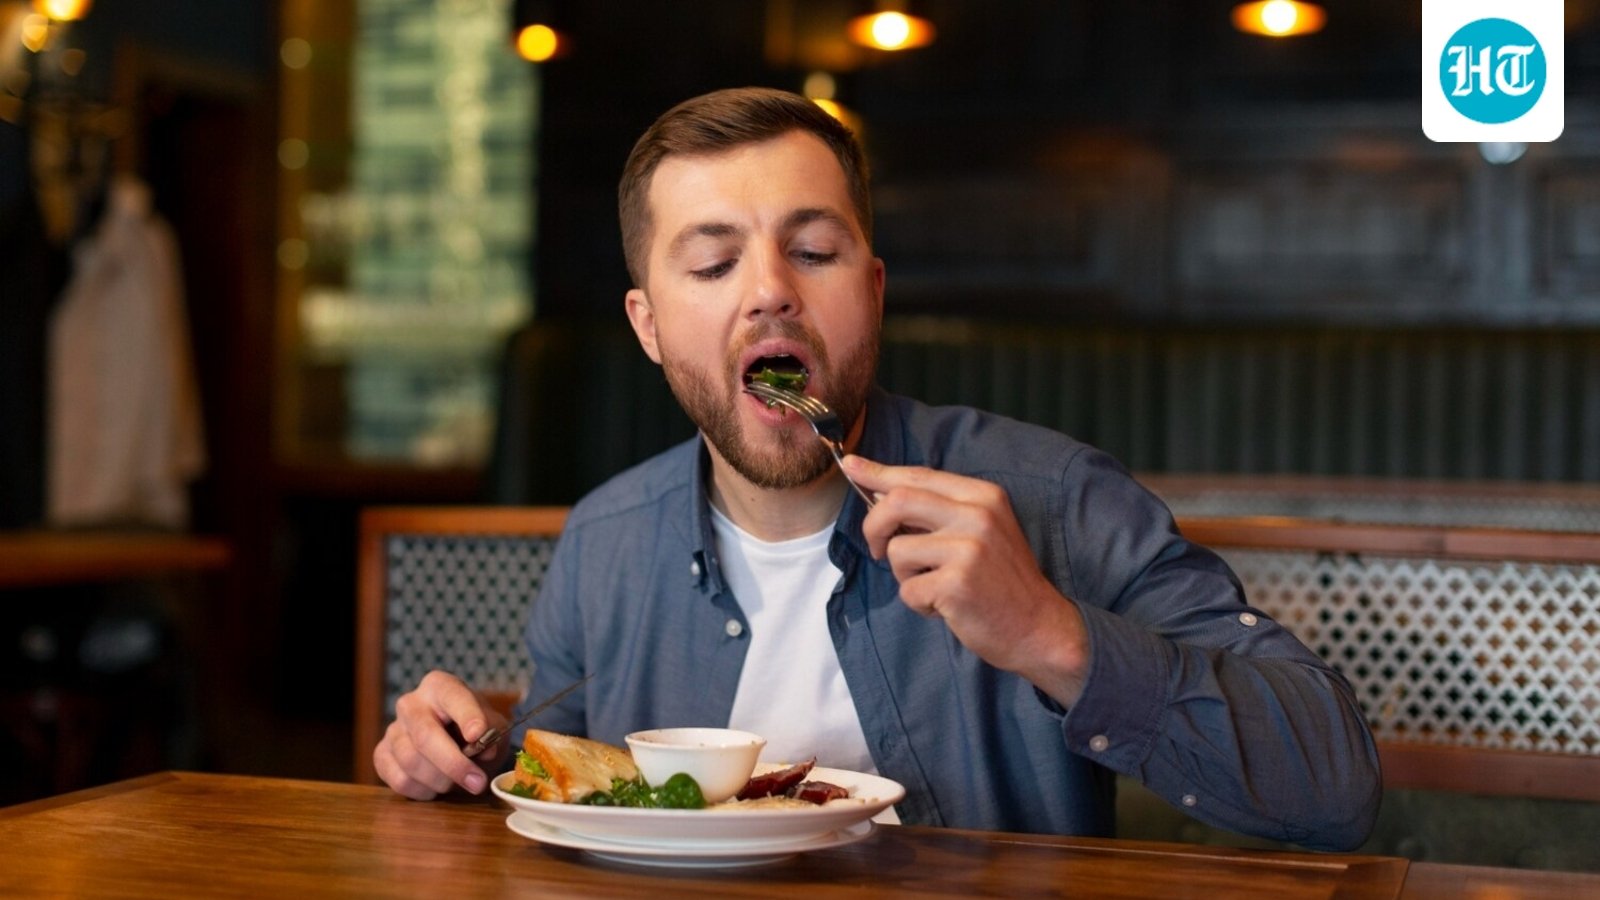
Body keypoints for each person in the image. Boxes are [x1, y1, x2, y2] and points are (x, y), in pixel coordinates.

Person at [373, 86, 1381, 850]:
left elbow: (1335, 785)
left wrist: (1050, 635)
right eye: (714, 265)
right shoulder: (603, 543)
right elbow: (568, 800)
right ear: (648, 324)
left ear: (873, 287)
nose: (769, 293)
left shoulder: (1055, 501)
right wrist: (469, 760)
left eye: (812, 251)